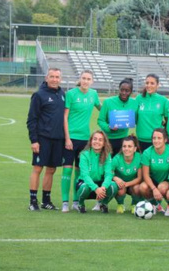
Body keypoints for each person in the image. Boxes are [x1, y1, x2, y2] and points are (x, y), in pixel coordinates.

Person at [61, 70, 101, 213]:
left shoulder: (93, 94)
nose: (85, 81)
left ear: (92, 81)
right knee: (67, 169)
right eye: (83, 78)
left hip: (85, 140)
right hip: (71, 138)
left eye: (88, 79)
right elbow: (65, 117)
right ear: (80, 79)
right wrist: (67, 138)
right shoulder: (71, 94)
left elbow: (102, 109)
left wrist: (116, 117)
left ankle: (76, 201)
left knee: (79, 171)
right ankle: (65, 202)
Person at [26, 68, 65, 211]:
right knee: (37, 168)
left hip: (58, 139)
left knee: (51, 169)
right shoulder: (39, 95)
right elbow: (32, 120)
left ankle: (46, 201)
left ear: (60, 78)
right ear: (46, 78)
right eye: (52, 76)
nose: (55, 79)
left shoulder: (62, 94)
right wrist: (34, 140)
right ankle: (33, 201)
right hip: (42, 139)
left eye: (57, 77)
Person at [139, 128, 169, 215]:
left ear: (165, 140)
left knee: (162, 187)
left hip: (167, 180)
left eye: (159, 138)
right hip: (153, 180)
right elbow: (145, 175)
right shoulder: (147, 152)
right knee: (142, 187)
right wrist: (154, 189)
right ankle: (155, 205)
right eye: (154, 138)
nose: (156, 141)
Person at [76, 130, 116, 213]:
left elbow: (109, 174)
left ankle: (103, 204)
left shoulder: (107, 155)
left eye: (100, 140)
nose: (97, 142)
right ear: (91, 141)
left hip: (100, 187)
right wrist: (95, 188)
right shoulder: (84, 155)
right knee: (84, 187)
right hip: (86, 184)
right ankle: (80, 204)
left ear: (104, 143)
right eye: (95, 139)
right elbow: (85, 175)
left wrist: (103, 187)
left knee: (113, 186)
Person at [98, 78, 138, 156]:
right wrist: (108, 127)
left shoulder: (134, 103)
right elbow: (100, 120)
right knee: (106, 164)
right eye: (122, 90)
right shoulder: (108, 102)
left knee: (119, 165)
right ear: (119, 89)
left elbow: (136, 119)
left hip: (123, 140)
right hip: (107, 139)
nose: (124, 93)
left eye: (127, 91)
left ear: (131, 92)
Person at [111, 135, 143, 214]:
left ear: (135, 149)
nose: (126, 149)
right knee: (120, 188)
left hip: (133, 184)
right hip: (121, 184)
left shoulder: (139, 157)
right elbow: (109, 172)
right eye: (124, 146)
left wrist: (127, 184)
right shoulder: (117, 158)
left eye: (129, 146)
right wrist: (115, 178)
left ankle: (134, 205)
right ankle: (120, 204)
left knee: (138, 188)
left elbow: (139, 178)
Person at [136, 74, 167, 151]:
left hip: (157, 140)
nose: (149, 85)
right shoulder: (139, 98)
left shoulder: (163, 100)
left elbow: (167, 120)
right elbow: (134, 117)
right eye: (147, 83)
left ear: (158, 85)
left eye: (152, 83)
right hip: (141, 140)